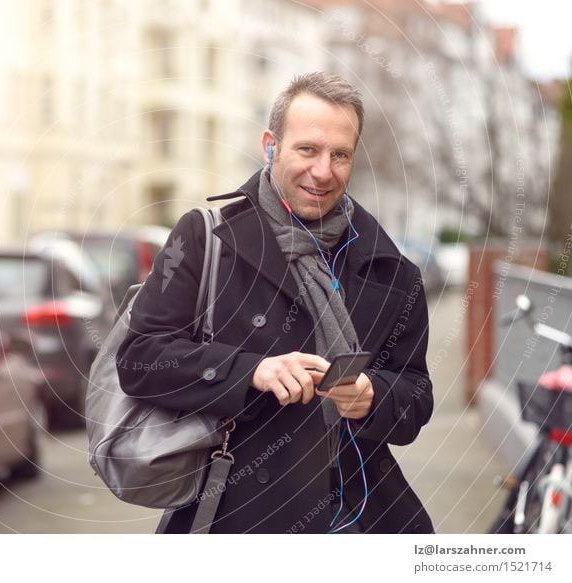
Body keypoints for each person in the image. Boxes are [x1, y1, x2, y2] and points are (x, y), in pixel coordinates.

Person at [116, 72, 433, 534]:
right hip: (239, 512)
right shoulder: (207, 240)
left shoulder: (392, 269)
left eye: (339, 155)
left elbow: (416, 393)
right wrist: (252, 372)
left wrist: (373, 396)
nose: (323, 171)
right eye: (307, 149)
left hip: (357, 516)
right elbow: (140, 359)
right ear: (271, 145)